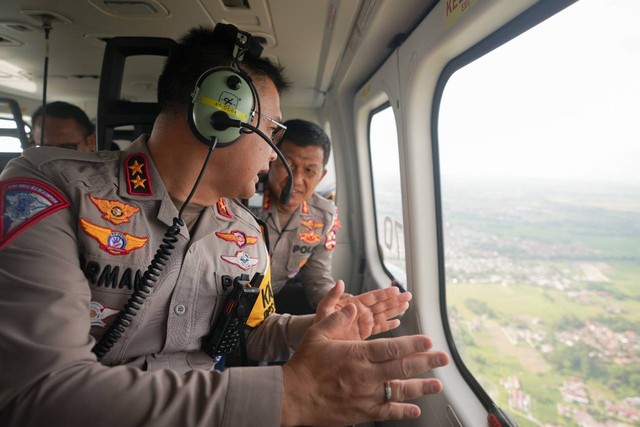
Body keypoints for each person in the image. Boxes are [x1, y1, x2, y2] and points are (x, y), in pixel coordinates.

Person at [0, 24, 448, 427]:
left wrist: (312, 327)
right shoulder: (50, 185)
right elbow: (37, 392)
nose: (275, 155)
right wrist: (289, 396)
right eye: (272, 132)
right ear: (221, 116)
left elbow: (249, 332)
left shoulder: (246, 234)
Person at [262, 118, 340, 314]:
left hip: (274, 298)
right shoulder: (240, 197)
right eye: (287, 164)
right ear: (271, 159)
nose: (296, 180)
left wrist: (332, 301)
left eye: (309, 170)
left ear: (321, 176)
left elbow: (317, 276)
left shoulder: (324, 217)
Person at [29, 100, 96, 151]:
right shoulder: (25, 167)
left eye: (66, 149)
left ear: (90, 141)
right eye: (44, 149)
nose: (53, 157)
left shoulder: (104, 168)